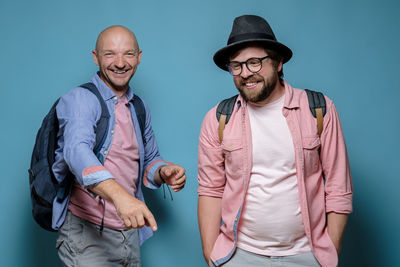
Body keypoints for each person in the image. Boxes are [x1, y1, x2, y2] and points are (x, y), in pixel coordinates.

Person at [197, 15, 353, 267]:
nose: (245, 73)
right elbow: (211, 190)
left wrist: (328, 251)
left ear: (278, 62)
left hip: (307, 255)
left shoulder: (319, 109)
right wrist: (211, 254)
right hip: (238, 255)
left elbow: (338, 186)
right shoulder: (218, 119)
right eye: (236, 66)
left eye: (254, 63)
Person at [52, 25, 186, 267]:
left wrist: (163, 171)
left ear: (139, 57)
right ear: (96, 57)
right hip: (87, 234)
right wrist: (121, 198)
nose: (120, 62)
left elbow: (149, 159)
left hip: (129, 232)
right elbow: (76, 152)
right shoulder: (80, 100)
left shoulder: (138, 106)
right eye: (110, 54)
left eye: (128, 54)